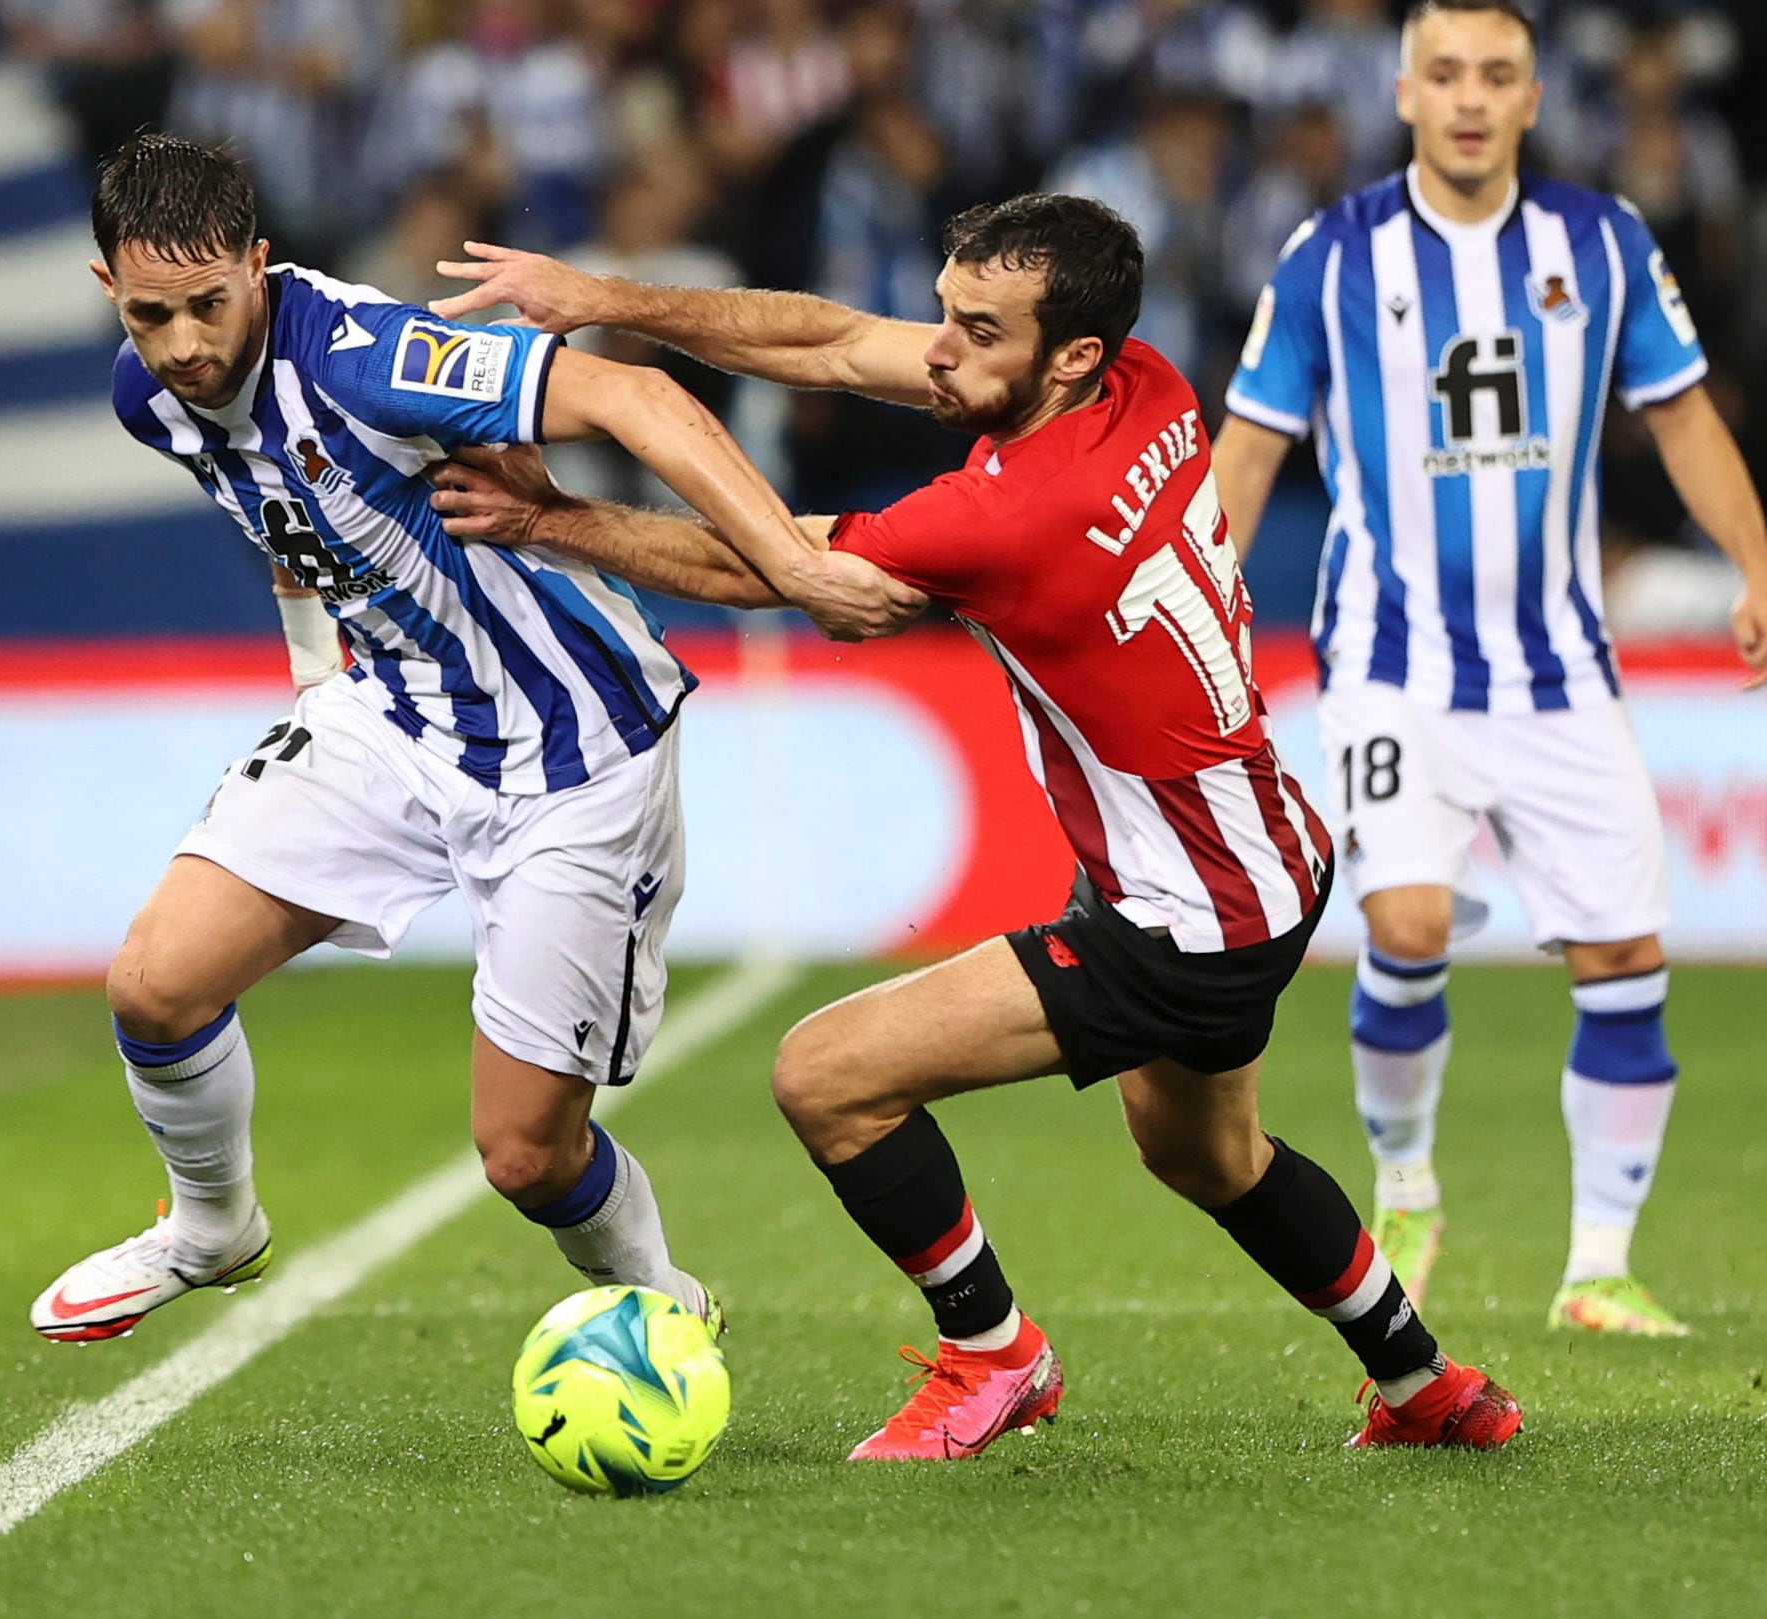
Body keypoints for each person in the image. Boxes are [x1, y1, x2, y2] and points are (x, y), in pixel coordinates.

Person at [428, 193, 1523, 1456]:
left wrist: (544, 518)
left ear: (1069, 358)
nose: (939, 350)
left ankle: (994, 1355)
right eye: (947, 313)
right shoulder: (1148, 385)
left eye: (977, 332)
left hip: (1182, 918)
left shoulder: (1015, 515)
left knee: (828, 1079)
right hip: (1268, 861)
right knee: (1212, 1158)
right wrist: (613, 301)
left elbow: (780, 569)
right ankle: (1424, 1384)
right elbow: (837, 342)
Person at [28, 133, 915, 1346]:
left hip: (572, 754)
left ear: (260, 263)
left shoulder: (364, 355)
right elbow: (278, 503)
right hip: (390, 715)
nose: (182, 342)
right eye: (148, 314)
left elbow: (637, 394)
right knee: (154, 984)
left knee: (524, 1156)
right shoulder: (154, 399)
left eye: (206, 304)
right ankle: (210, 1226)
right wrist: (311, 668)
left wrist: (799, 566)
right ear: (105, 292)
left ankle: (666, 1306)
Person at [1208, 0, 1767, 1338]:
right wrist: (1202, 612)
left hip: (1559, 670)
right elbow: (1246, 451)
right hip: (1387, 662)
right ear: (1406, 94)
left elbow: (1683, 416)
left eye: (1497, 73)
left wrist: (1760, 573)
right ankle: (1407, 1182)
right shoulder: (1331, 254)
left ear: (1533, 99)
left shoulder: (1599, 245)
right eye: (1446, 72)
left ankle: (1596, 1263)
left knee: (1621, 949)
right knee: (1409, 924)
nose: (1471, 96)